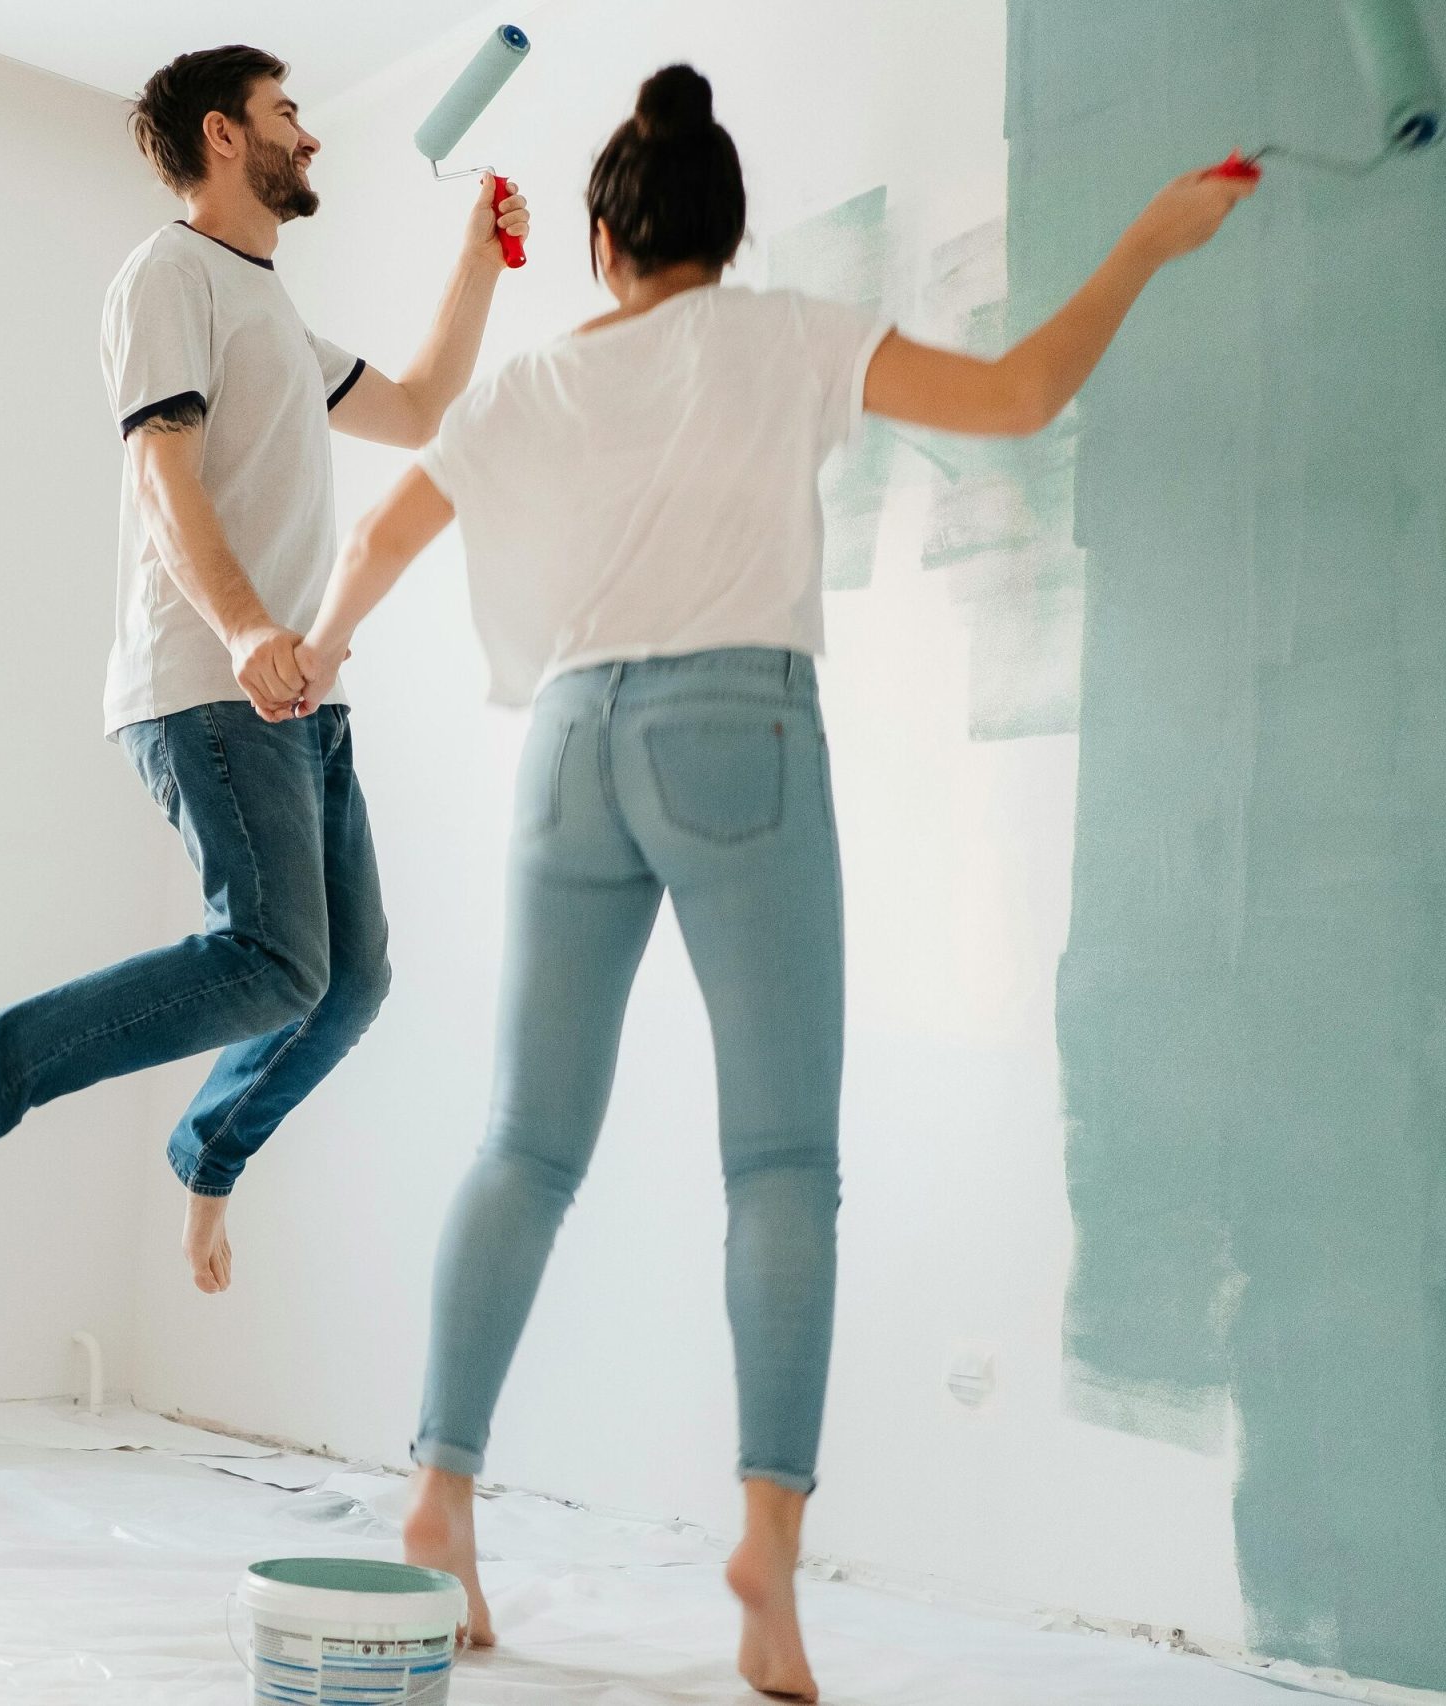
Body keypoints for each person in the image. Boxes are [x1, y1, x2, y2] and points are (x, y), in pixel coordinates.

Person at [285, 63, 1251, 1702]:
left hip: (568, 749)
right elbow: (1018, 397)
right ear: (727, 238)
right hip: (735, 731)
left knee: (525, 1141)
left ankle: (439, 1502)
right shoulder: (790, 331)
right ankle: (768, 1562)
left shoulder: (526, 388)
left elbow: (382, 539)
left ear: (606, 241)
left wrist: (312, 651)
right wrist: (1150, 243)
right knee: (782, 1163)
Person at [0, 46, 531, 1295]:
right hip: (212, 675)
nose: (311, 135)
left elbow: (412, 407)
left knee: (347, 982)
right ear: (224, 136)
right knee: (272, 958)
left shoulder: (271, 313)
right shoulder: (167, 275)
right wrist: (245, 629)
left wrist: (479, 258)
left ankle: (206, 1149)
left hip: (298, 694)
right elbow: (159, 470)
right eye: (289, 112)